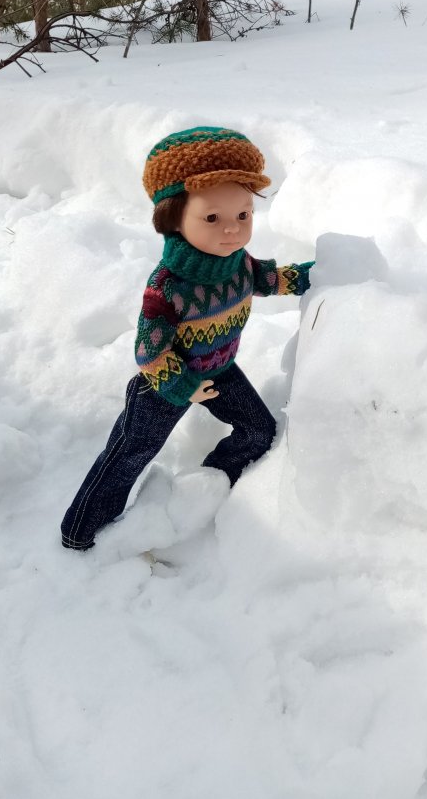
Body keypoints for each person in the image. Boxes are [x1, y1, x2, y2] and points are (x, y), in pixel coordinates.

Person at [61, 126, 313, 551]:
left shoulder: (240, 265)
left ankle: (207, 488)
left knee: (258, 431)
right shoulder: (168, 286)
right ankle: (80, 532)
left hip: (220, 370)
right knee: (130, 452)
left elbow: (273, 279)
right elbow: (149, 352)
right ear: (173, 218)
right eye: (212, 218)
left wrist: (318, 273)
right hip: (166, 386)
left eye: (244, 215)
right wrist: (184, 386)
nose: (232, 230)